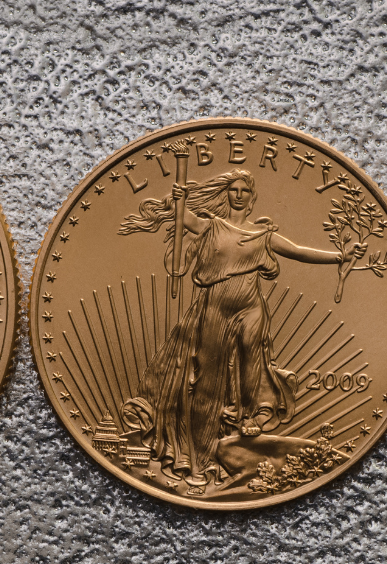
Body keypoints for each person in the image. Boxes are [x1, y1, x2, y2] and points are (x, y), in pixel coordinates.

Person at [119, 169, 365, 494]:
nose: (237, 194)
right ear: (226, 194)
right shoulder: (212, 226)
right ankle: (198, 467)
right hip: (213, 311)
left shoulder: (263, 235)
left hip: (250, 309)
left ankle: (254, 418)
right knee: (206, 385)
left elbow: (299, 251)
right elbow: (184, 218)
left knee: (253, 365)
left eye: (243, 191)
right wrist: (177, 201)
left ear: (251, 198)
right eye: (233, 189)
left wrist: (340, 256)